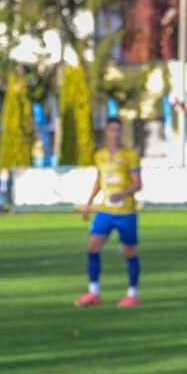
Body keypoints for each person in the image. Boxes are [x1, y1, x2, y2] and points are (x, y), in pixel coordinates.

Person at [76, 117, 143, 308]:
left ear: (122, 132)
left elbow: (137, 183)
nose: (115, 133)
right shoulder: (100, 155)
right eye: (112, 130)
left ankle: (132, 293)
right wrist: (89, 202)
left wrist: (122, 193)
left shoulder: (130, 155)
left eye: (118, 130)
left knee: (130, 252)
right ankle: (93, 293)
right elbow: (99, 180)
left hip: (126, 212)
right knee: (92, 247)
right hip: (105, 210)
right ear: (106, 132)